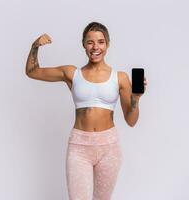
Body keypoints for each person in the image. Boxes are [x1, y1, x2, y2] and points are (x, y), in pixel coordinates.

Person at [25, 22, 147, 200]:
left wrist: (135, 99)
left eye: (100, 42)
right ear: (83, 44)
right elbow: (32, 71)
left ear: (107, 44)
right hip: (79, 147)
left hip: (109, 148)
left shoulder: (120, 77)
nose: (95, 47)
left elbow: (131, 120)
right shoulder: (71, 73)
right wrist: (34, 46)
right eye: (90, 42)